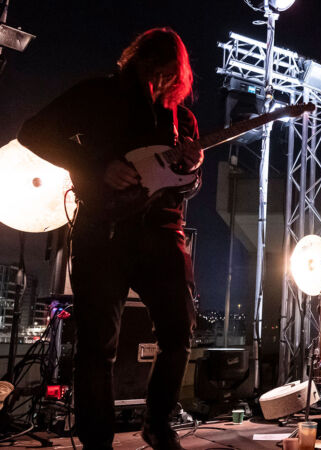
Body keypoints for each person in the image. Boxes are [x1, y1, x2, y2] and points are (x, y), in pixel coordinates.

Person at [18, 28, 201, 450]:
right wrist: (97, 165)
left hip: (162, 232)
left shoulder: (183, 119)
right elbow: (33, 131)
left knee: (179, 331)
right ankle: (97, 442)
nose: (159, 85)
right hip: (103, 230)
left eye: (169, 77)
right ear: (137, 63)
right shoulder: (97, 94)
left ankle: (157, 424)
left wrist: (193, 166)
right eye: (153, 72)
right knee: (98, 345)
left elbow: (185, 186)